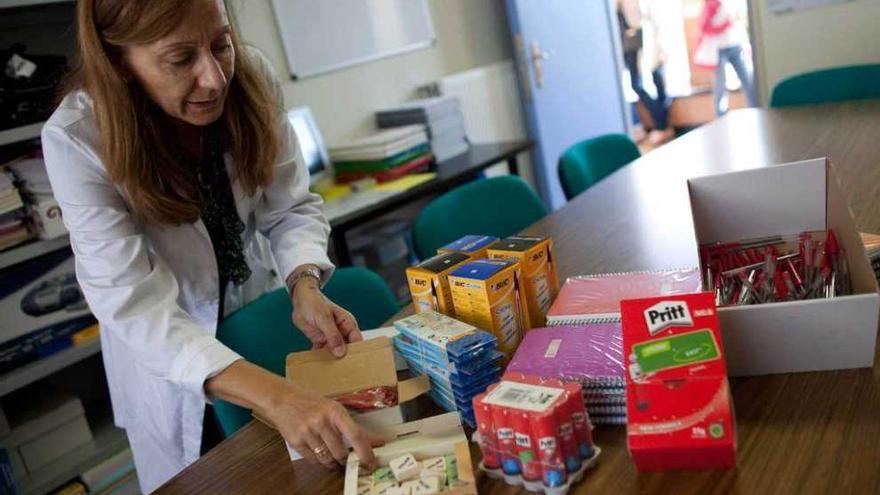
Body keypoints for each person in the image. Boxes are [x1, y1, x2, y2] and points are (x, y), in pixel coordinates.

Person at [41, 0, 379, 491]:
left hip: (252, 322)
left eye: (221, 44)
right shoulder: (78, 138)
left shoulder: (251, 77)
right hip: (170, 363)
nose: (215, 78)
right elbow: (132, 303)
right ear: (119, 61)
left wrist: (303, 282)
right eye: (180, 59)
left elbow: (289, 206)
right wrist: (278, 398)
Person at [617, 0, 672, 144]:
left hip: (641, 43)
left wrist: (662, 48)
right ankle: (661, 124)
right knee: (642, 84)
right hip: (634, 44)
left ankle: (662, 125)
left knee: (651, 82)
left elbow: (647, 20)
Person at [696, 0, 757, 116]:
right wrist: (724, 26)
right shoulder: (711, 4)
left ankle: (756, 109)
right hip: (719, 50)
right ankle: (721, 116)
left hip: (734, 45)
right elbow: (704, 27)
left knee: (747, 80)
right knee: (720, 86)